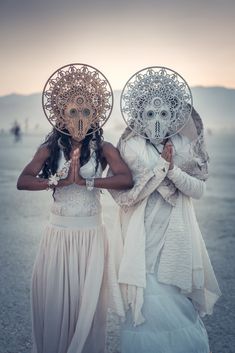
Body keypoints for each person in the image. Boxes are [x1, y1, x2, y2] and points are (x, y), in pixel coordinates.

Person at [17, 63, 133, 353]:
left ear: (95, 115)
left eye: (85, 112)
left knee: (87, 305)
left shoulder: (104, 148)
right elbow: (23, 181)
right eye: (72, 112)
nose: (79, 118)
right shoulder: (49, 149)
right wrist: (57, 182)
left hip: (91, 235)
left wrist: (88, 183)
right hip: (58, 235)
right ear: (60, 115)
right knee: (56, 301)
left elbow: (126, 179)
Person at [107, 67, 221, 353]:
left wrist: (172, 171)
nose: (157, 121)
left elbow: (198, 190)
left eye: (163, 114)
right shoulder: (131, 146)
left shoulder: (183, 145)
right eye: (149, 114)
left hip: (176, 232)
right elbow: (127, 193)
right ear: (138, 114)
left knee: (174, 294)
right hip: (142, 232)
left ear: (174, 114)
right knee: (147, 294)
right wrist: (161, 170)